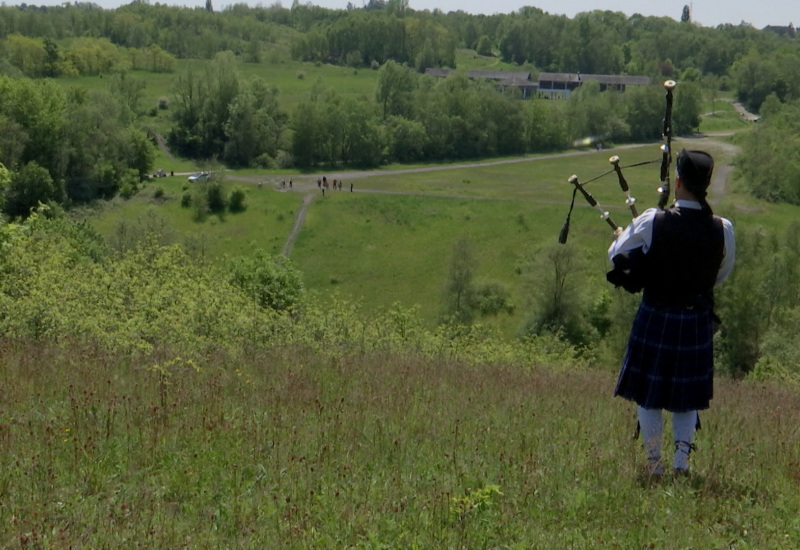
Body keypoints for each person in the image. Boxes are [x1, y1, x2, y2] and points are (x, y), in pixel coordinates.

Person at [607, 149, 736, 477]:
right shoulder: (724, 228)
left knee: (648, 394)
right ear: (705, 184)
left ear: (677, 182)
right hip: (695, 319)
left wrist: (624, 237)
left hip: (655, 314)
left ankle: (654, 464)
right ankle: (681, 462)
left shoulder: (653, 219)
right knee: (686, 396)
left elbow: (615, 256)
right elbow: (721, 274)